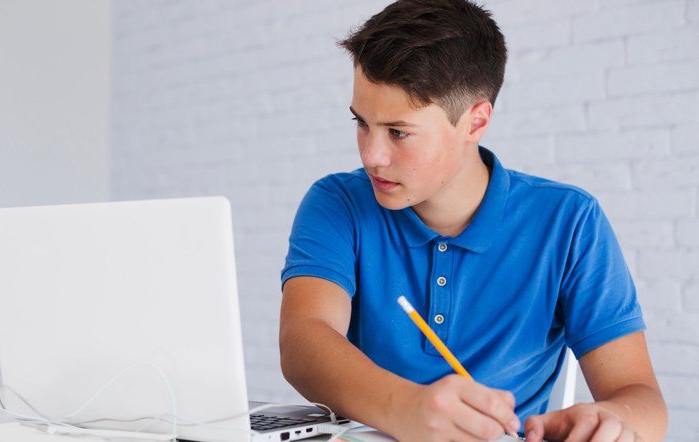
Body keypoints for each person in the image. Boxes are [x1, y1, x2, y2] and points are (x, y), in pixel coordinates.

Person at [278, 1, 668, 441]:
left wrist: (614, 423)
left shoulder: (569, 221)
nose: (371, 155)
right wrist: (403, 408)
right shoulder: (338, 203)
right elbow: (303, 342)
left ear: (475, 122)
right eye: (361, 123)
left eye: (398, 132)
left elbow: (640, 396)